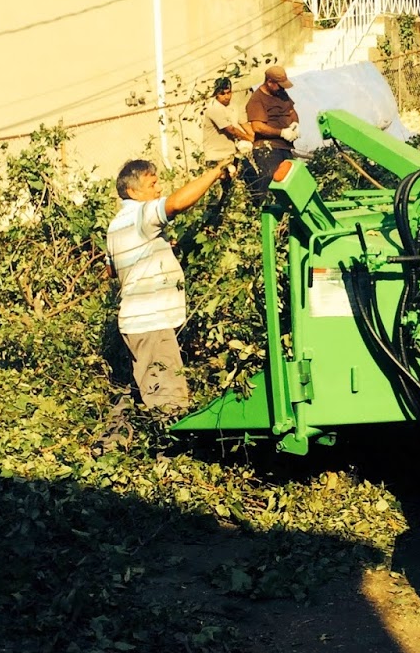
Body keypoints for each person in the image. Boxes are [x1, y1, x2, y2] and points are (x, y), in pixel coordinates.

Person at [107, 157, 231, 410]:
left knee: (153, 393)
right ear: (133, 191)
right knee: (169, 402)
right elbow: (175, 204)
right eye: (152, 184)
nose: (159, 189)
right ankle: (170, 449)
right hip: (151, 324)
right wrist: (215, 173)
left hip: (137, 323)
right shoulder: (141, 214)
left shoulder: (116, 225)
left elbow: (111, 270)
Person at [245, 63, 301, 198]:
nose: (281, 88)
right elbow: (257, 126)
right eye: (279, 85)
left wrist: (295, 124)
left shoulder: (281, 94)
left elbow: (291, 111)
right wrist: (281, 132)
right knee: (272, 180)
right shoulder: (257, 99)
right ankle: (265, 211)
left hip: (284, 146)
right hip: (267, 147)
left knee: (291, 179)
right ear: (270, 82)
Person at [201, 76, 254, 164]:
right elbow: (231, 130)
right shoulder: (214, 108)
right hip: (216, 156)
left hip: (231, 154)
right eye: (222, 94)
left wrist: (256, 138)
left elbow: (244, 123)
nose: (226, 96)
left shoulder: (234, 106)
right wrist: (250, 139)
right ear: (216, 94)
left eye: (228, 93)